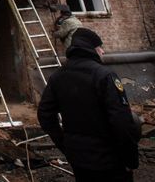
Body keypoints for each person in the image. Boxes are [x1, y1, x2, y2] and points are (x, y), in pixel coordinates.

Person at [37, 28, 141, 182]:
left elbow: (44, 115)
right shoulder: (104, 76)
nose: (103, 51)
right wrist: (130, 159)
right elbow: (122, 121)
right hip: (109, 160)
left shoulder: (57, 76)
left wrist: (65, 145)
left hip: (78, 159)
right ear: (92, 49)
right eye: (100, 47)